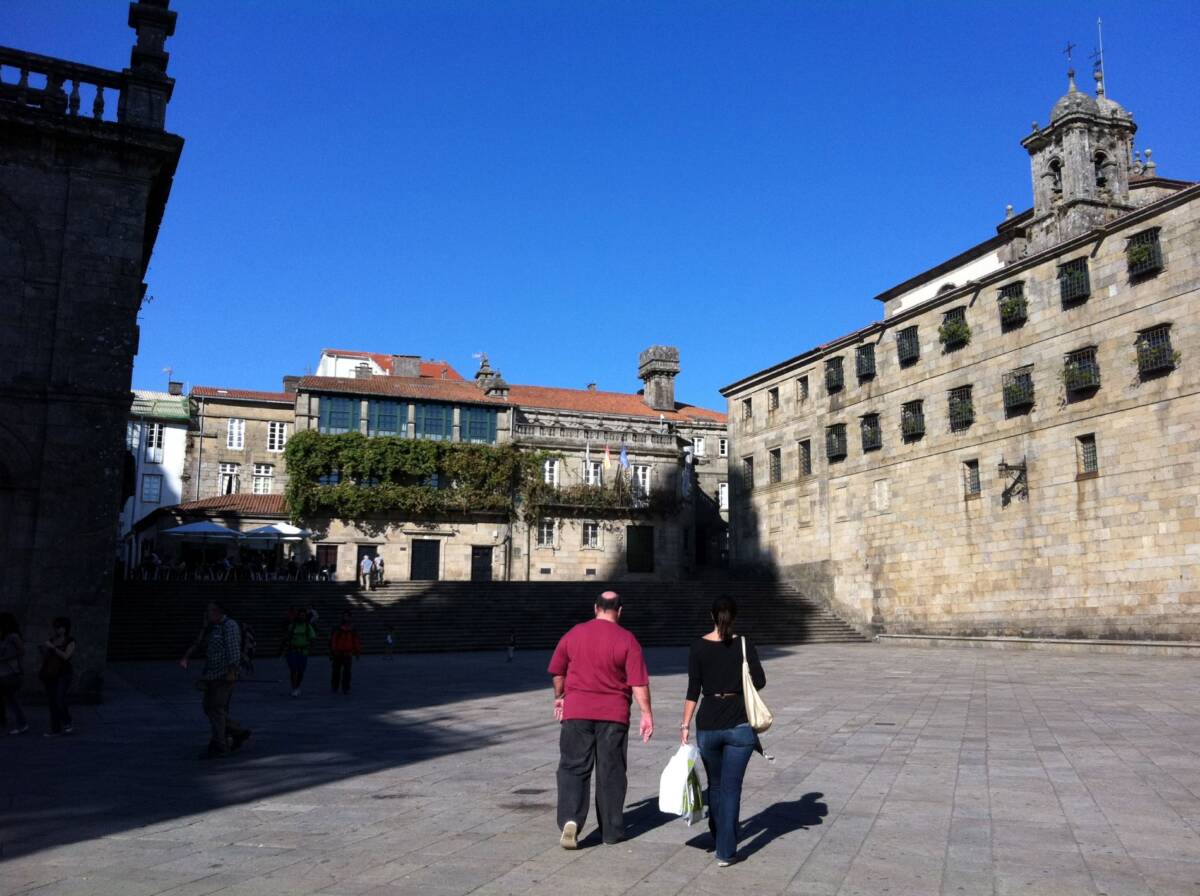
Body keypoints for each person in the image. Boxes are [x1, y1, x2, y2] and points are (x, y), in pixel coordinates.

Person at [548, 590, 653, 850]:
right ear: (619, 611)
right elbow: (638, 682)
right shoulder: (627, 640)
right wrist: (646, 713)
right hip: (613, 715)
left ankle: (571, 820)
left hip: (577, 711)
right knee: (611, 771)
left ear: (595, 608)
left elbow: (558, 672)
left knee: (573, 766)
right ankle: (611, 830)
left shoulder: (574, 634)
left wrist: (560, 696)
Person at [679, 595, 766, 867]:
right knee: (730, 789)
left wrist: (684, 725)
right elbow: (760, 681)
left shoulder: (698, 646)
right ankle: (725, 851)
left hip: (708, 724)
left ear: (711, 616)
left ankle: (719, 836)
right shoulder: (744, 644)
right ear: (735, 617)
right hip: (739, 724)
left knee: (715, 786)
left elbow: (693, 690)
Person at [180, 601, 250, 759]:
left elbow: (233, 650)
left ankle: (221, 745)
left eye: (209, 611)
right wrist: (205, 627)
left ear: (217, 612)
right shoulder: (214, 627)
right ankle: (237, 731)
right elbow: (200, 643)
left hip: (224, 675)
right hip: (212, 675)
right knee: (210, 707)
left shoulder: (229, 626)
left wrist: (232, 671)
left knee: (216, 709)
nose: (206, 614)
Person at [39, 617, 76, 737]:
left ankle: (67, 721)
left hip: (64, 673)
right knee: (52, 702)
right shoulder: (52, 640)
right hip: (51, 673)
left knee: (60, 698)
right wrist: (44, 650)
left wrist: (53, 648)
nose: (57, 630)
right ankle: (55, 729)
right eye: (56, 627)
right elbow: (47, 657)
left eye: (59, 627)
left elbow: (66, 656)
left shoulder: (70, 641)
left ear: (65, 628)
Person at [0, 612, 28, 735]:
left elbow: (21, 651)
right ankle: (21, 724)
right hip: (4, 673)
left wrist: (5, 657)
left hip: (10, 674)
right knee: (12, 700)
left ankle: (21, 724)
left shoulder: (13, 636)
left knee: (13, 700)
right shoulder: (6, 637)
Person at [282, 608, 317, 697]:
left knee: (301, 671)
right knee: (293, 670)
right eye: (300, 615)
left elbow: (313, 638)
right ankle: (294, 688)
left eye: (303, 615)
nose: (302, 617)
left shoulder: (308, 626)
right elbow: (287, 637)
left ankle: (297, 686)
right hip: (292, 651)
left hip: (303, 651)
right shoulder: (292, 626)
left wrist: (311, 648)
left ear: (305, 617)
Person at [329, 610, 361, 695]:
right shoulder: (337, 628)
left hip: (348, 653)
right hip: (338, 653)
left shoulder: (353, 629)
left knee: (347, 672)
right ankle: (335, 686)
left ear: (350, 617)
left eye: (347, 616)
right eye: (344, 616)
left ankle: (346, 687)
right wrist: (333, 651)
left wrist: (357, 652)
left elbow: (356, 641)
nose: (345, 618)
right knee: (336, 671)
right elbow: (333, 641)